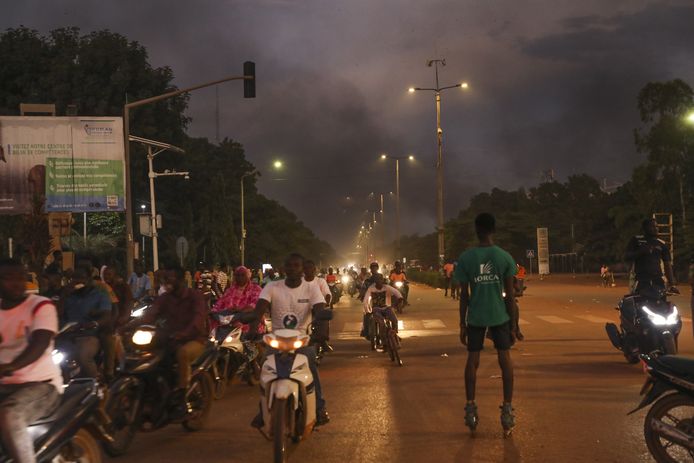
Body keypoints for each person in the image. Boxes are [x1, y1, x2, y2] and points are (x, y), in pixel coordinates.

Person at [456, 213, 518, 434]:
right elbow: (510, 295)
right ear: (494, 230)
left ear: (477, 230)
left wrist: (462, 324)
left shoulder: (466, 258)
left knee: (473, 360)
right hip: (499, 316)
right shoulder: (504, 257)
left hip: (475, 317)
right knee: (505, 359)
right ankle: (507, 410)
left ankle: (471, 408)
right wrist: (513, 325)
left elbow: (464, 295)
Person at [252, 253, 330, 426]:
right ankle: (262, 408)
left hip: (302, 339)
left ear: (302, 269)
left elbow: (320, 310)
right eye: (289, 265)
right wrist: (251, 328)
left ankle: (319, 408)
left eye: (296, 266)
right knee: (265, 366)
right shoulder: (272, 287)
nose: (292, 269)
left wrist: (321, 331)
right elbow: (259, 310)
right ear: (283, 268)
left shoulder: (311, 288)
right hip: (276, 339)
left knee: (310, 364)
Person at [0, 258, 63, 463]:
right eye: (8, 278)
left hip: (41, 385)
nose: (17, 283)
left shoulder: (41, 305)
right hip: (5, 385)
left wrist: (11, 366)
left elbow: (40, 343)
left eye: (21, 277)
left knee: (9, 414)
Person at [128, 265, 208, 393]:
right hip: (169, 338)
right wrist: (128, 326)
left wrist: (184, 334)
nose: (167, 281)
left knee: (182, 353)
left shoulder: (195, 296)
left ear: (181, 280)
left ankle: (182, 391)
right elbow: (151, 314)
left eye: (170, 278)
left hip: (194, 339)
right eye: (166, 278)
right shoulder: (165, 298)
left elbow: (198, 320)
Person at [62, 262, 113, 378]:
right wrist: (64, 295)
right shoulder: (69, 296)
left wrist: (94, 323)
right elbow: (57, 313)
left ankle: (96, 385)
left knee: (83, 356)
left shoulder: (100, 295)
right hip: (67, 336)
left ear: (89, 279)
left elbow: (107, 315)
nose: (77, 281)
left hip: (88, 335)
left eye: (81, 278)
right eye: (74, 278)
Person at [625, 218, 677, 294]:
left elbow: (667, 264)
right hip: (640, 280)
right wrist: (640, 252)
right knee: (636, 302)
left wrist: (672, 284)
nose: (656, 228)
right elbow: (627, 256)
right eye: (652, 226)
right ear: (645, 228)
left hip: (658, 281)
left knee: (662, 303)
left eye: (656, 226)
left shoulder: (662, 244)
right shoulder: (636, 240)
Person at [212, 266, 265, 335]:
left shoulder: (256, 289)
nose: (240, 277)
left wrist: (240, 309)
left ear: (248, 276)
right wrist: (213, 311)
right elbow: (220, 303)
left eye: (242, 275)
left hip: (248, 322)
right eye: (237, 275)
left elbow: (256, 305)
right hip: (229, 321)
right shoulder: (230, 290)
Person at [362, 274, 402, 340]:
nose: (379, 281)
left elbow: (396, 292)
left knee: (395, 320)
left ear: (383, 280)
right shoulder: (371, 288)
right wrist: (367, 310)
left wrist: (400, 299)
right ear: (375, 281)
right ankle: (383, 340)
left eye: (380, 279)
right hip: (376, 309)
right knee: (381, 323)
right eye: (377, 279)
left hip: (387, 308)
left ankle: (394, 333)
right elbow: (366, 300)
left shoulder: (387, 287)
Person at [304, 260, 332, 351]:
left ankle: (323, 341)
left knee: (324, 319)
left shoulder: (320, 281)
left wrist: (327, 302)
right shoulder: (299, 282)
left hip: (318, 307)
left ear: (314, 270)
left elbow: (327, 294)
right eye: (305, 268)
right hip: (303, 309)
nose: (307, 270)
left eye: (310, 268)